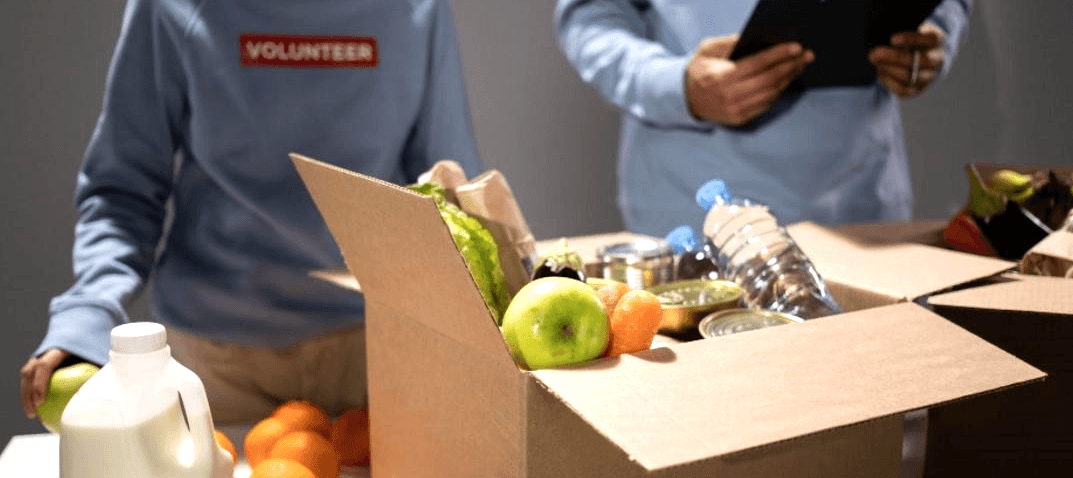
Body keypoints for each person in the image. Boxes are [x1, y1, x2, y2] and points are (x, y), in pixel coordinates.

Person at [20, 0, 483, 424]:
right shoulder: (168, 7)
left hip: (372, 353)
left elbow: (448, 189)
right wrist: (87, 312)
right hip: (213, 365)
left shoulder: (418, 9)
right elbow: (125, 187)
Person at [553, 0, 973, 237]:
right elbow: (591, 20)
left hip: (861, 201)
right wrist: (678, 85)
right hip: (698, 211)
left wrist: (935, 36)